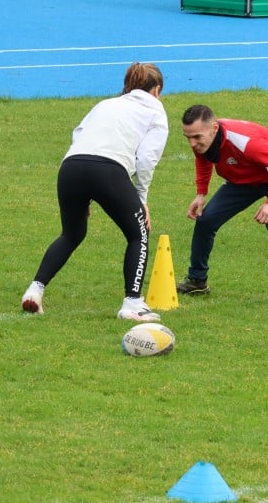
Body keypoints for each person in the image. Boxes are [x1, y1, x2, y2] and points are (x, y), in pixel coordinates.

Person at [22, 63, 168, 323]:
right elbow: (146, 160)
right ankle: (133, 303)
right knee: (139, 233)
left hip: (70, 167)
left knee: (72, 233)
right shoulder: (155, 111)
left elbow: (78, 133)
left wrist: (84, 190)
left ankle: (35, 289)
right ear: (156, 90)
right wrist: (141, 199)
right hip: (108, 170)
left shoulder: (106, 104)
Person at [176, 105, 268, 307]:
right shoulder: (204, 140)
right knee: (206, 220)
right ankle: (197, 280)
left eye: (197, 137)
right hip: (244, 180)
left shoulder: (244, 141)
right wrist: (201, 193)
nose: (192, 143)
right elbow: (203, 158)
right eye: (187, 137)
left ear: (214, 128)